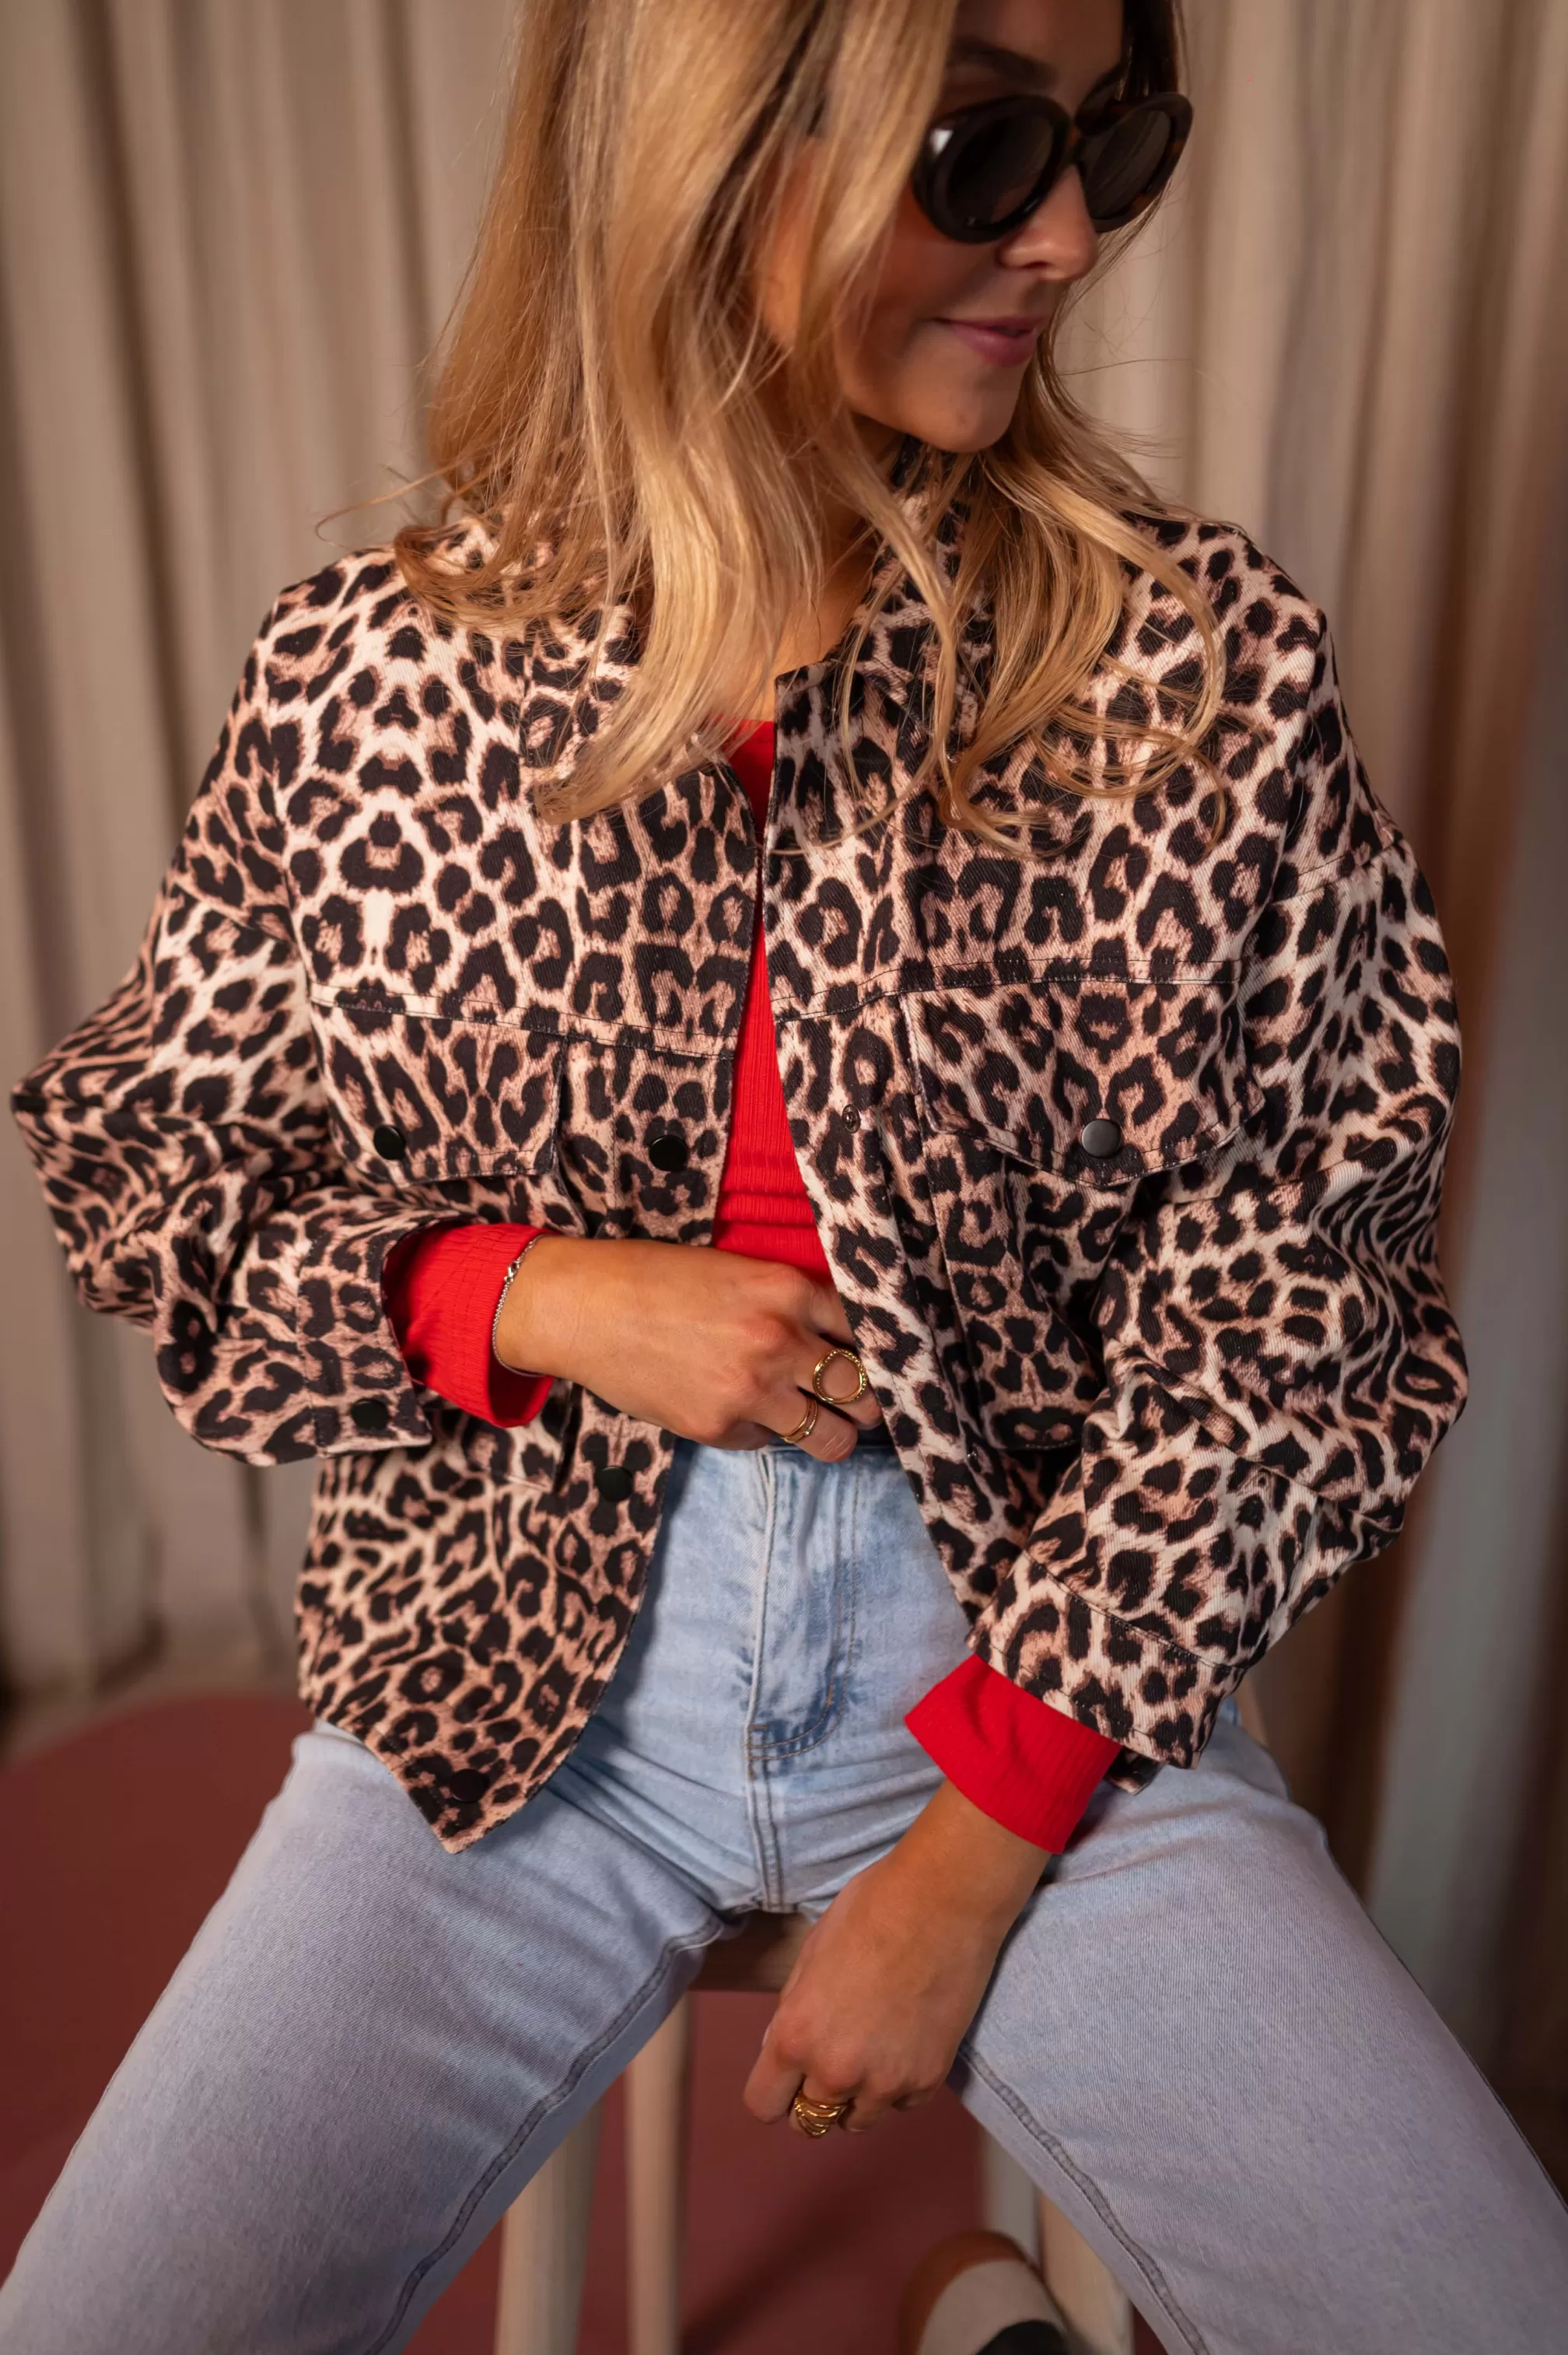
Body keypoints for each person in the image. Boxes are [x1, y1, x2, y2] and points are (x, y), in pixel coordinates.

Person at [5, 1, 1566, 2349]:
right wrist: (540, 1295)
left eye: (1117, 138)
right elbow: (147, 1160)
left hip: (1043, 1675)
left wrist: (978, 1845)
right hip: (503, 1695)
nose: (1070, 236)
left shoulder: (1199, 668)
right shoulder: (380, 673)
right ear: (713, 151)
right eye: (984, 147)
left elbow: (1303, 1297)